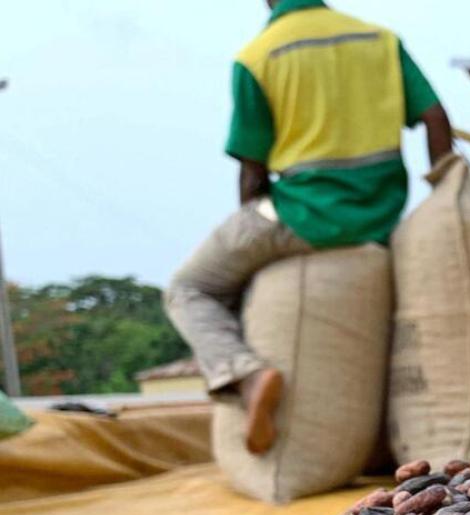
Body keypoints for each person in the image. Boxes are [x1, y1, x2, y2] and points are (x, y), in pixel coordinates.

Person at [165, 0, 452, 455]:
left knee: (187, 288)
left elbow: (252, 172)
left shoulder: (258, 56)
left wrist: (250, 239)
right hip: (380, 216)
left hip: (301, 217)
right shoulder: (378, 38)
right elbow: (435, 119)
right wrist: (444, 196)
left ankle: (244, 372)